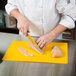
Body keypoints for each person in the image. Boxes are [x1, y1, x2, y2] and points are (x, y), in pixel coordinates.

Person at [5, 0, 76, 49]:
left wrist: (52, 35)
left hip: (53, 39)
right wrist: (19, 17)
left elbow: (71, 15)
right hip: (26, 37)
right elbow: (11, 5)